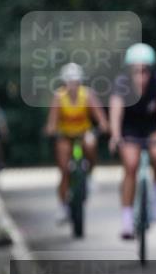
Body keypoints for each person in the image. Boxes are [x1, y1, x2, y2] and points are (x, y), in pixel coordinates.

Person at [109, 43, 156, 240]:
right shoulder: (122, 84)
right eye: (136, 71)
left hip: (153, 127)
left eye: (145, 71)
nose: (141, 75)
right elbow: (116, 110)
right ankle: (127, 220)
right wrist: (115, 135)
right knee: (130, 165)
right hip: (130, 129)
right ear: (129, 71)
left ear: (151, 70)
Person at [44, 63, 109, 223]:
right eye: (70, 81)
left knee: (90, 144)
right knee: (64, 169)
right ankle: (62, 207)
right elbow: (52, 122)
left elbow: (100, 117)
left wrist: (102, 126)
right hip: (65, 135)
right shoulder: (59, 96)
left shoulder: (87, 95)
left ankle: (90, 176)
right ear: (64, 82)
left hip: (83, 133)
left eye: (76, 81)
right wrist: (51, 130)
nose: (73, 85)